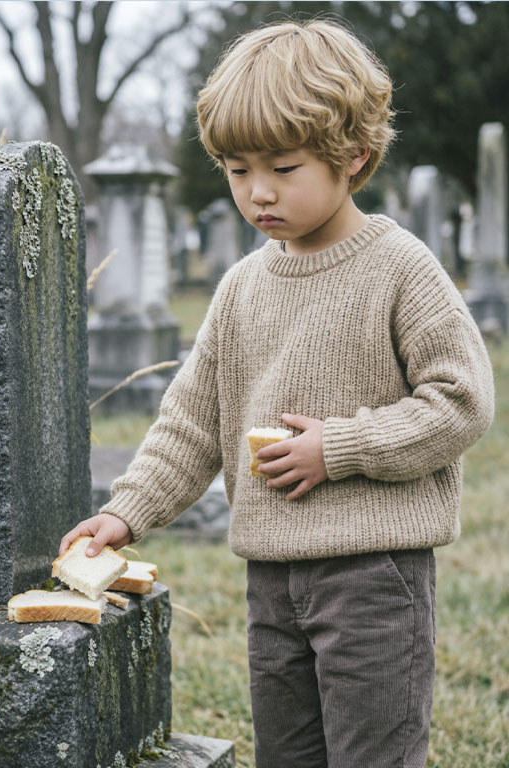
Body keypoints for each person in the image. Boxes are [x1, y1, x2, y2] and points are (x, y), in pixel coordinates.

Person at [59, 19, 495, 768]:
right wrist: (125, 512)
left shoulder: (400, 267)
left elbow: (462, 400)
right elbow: (191, 423)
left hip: (374, 578)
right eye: (237, 170)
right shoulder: (240, 288)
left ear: (354, 156)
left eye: (284, 167)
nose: (257, 192)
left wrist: (341, 446)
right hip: (271, 582)